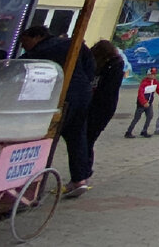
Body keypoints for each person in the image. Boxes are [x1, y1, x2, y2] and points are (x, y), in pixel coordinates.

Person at [19, 25, 96, 198]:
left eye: (25, 41)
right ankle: (80, 180)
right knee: (77, 136)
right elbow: (90, 67)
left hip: (60, 97)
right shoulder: (73, 43)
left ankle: (33, 184)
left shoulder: (39, 52)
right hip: (82, 94)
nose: (23, 45)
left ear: (37, 37)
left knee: (46, 138)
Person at [87, 39, 125, 172]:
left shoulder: (112, 67)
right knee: (87, 140)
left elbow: (107, 91)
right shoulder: (110, 66)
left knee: (87, 140)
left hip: (99, 108)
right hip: (99, 108)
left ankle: (84, 172)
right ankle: (84, 172)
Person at [125, 67, 159, 138]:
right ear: (148, 75)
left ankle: (144, 131)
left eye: (154, 74)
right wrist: (144, 102)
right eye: (151, 74)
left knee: (150, 116)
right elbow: (140, 94)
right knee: (137, 118)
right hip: (142, 104)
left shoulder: (155, 82)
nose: (153, 76)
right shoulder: (144, 83)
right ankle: (128, 132)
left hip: (149, 103)